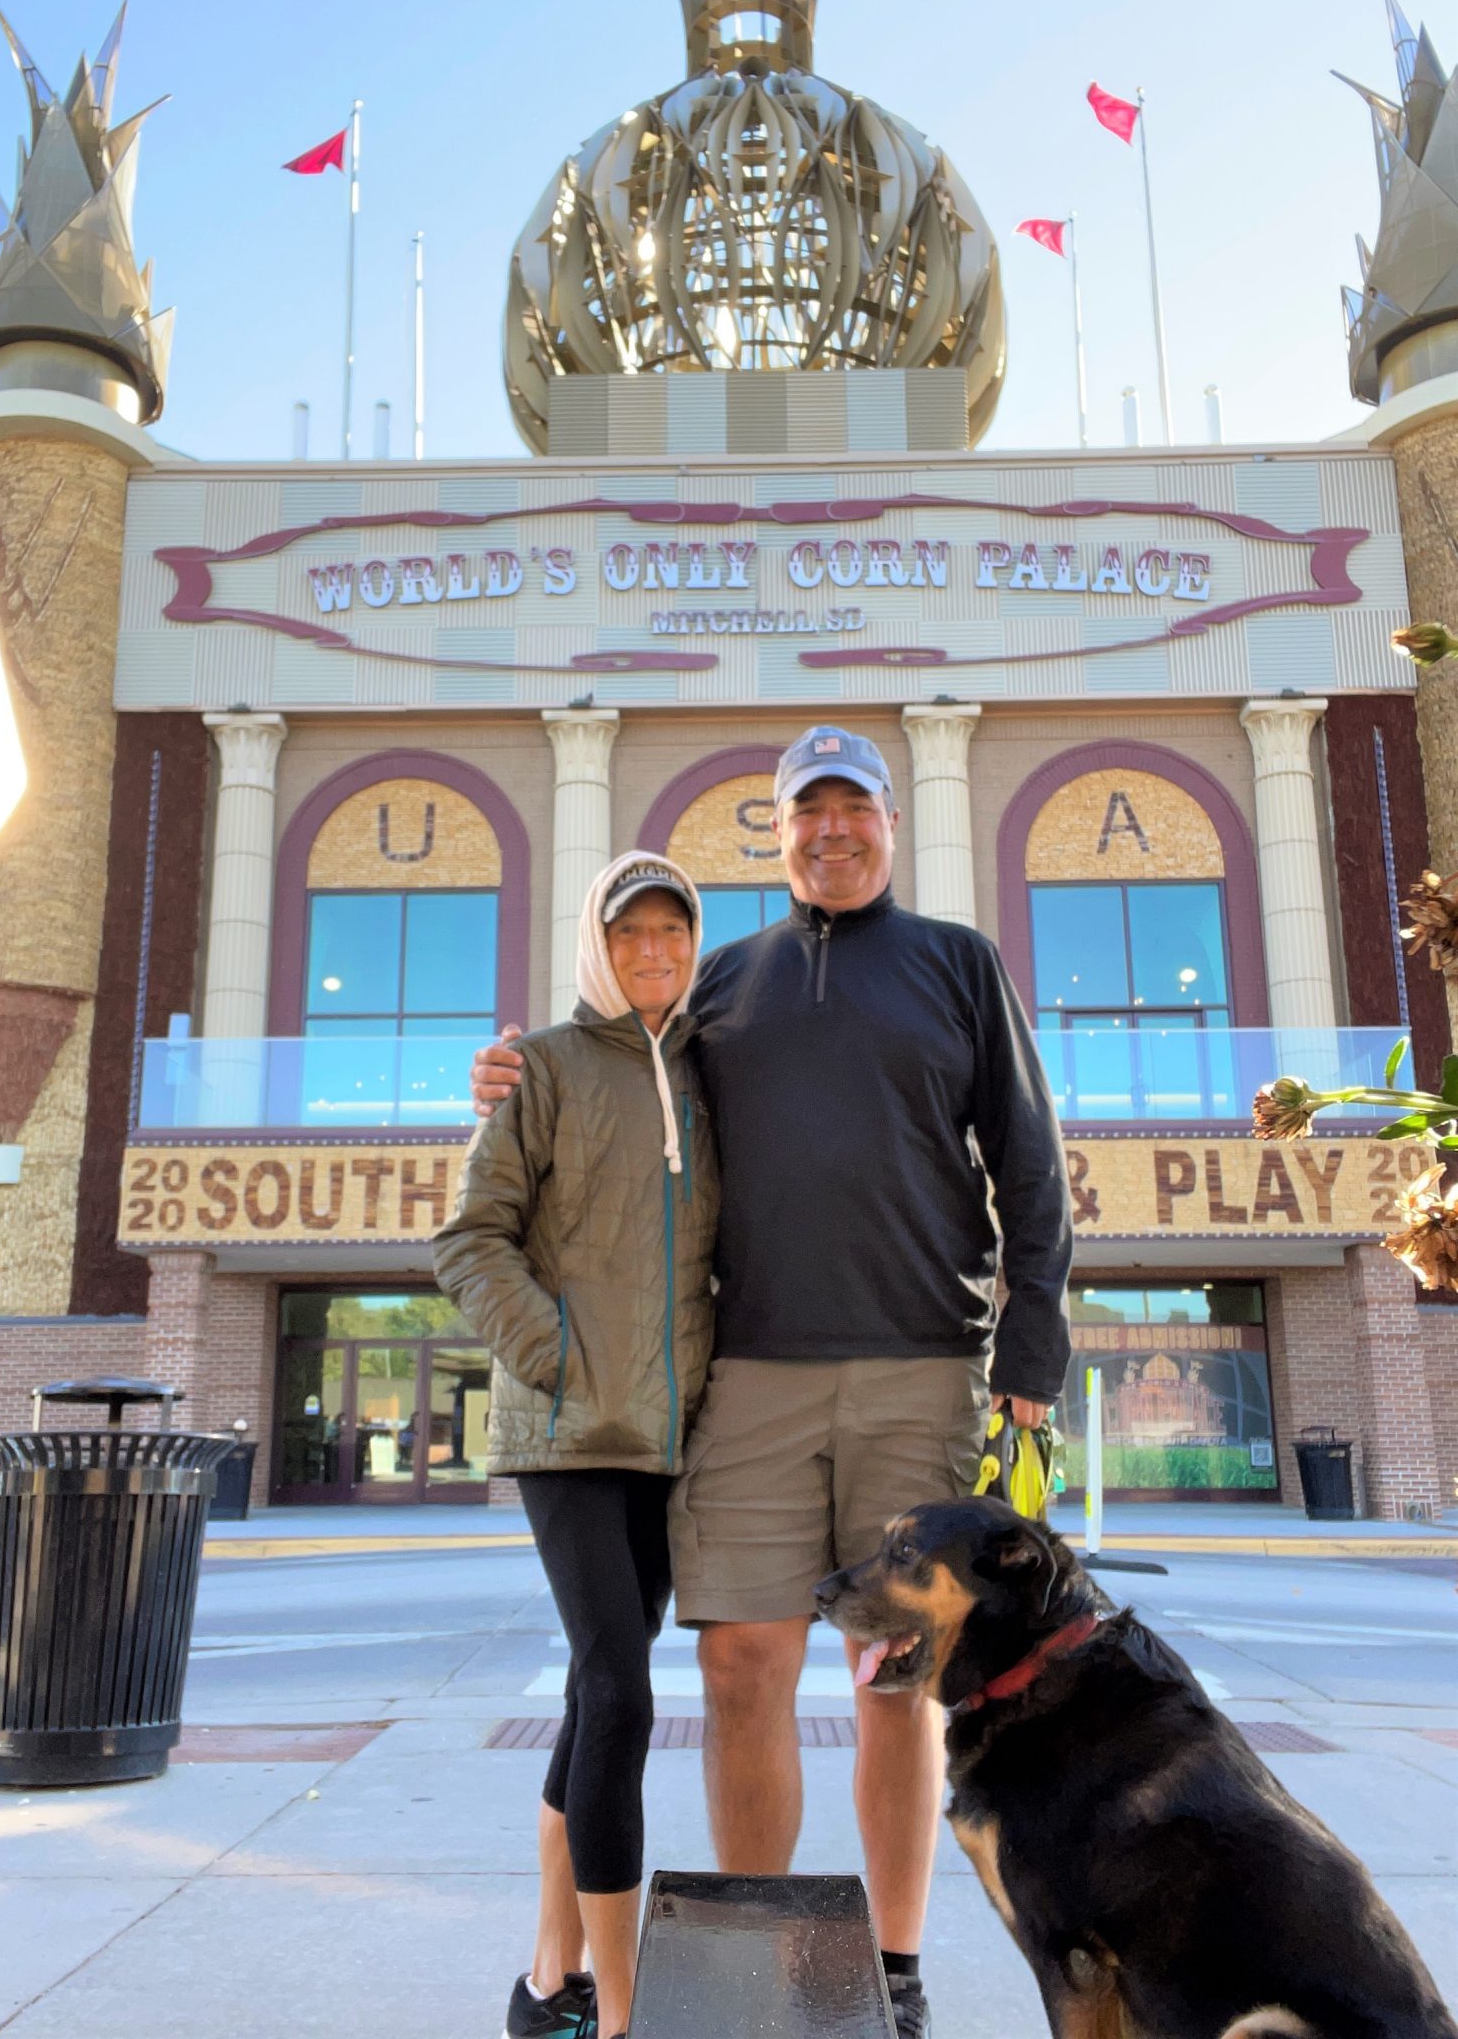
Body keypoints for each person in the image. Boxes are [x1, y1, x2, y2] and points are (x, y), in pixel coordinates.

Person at [474, 727, 1073, 2039]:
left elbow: (1031, 1169)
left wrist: (1031, 1365)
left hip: (925, 1367)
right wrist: (511, 1080)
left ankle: (894, 1970)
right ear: (780, 833)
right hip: (750, 1373)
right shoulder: (722, 985)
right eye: (811, 814)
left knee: (895, 1681)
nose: (834, 833)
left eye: (857, 809)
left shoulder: (959, 966)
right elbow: (612, 1077)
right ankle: (764, 1961)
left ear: (891, 827)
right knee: (743, 1664)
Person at [434, 850, 717, 2039]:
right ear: (599, 947)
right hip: (568, 1433)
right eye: (630, 935)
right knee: (620, 1689)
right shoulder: (541, 1066)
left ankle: (547, 1975)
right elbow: (468, 1237)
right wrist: (549, 1352)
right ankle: (620, 2010)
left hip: (671, 1438)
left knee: (594, 1696)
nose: (652, 955)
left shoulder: (714, 1069)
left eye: (672, 934)